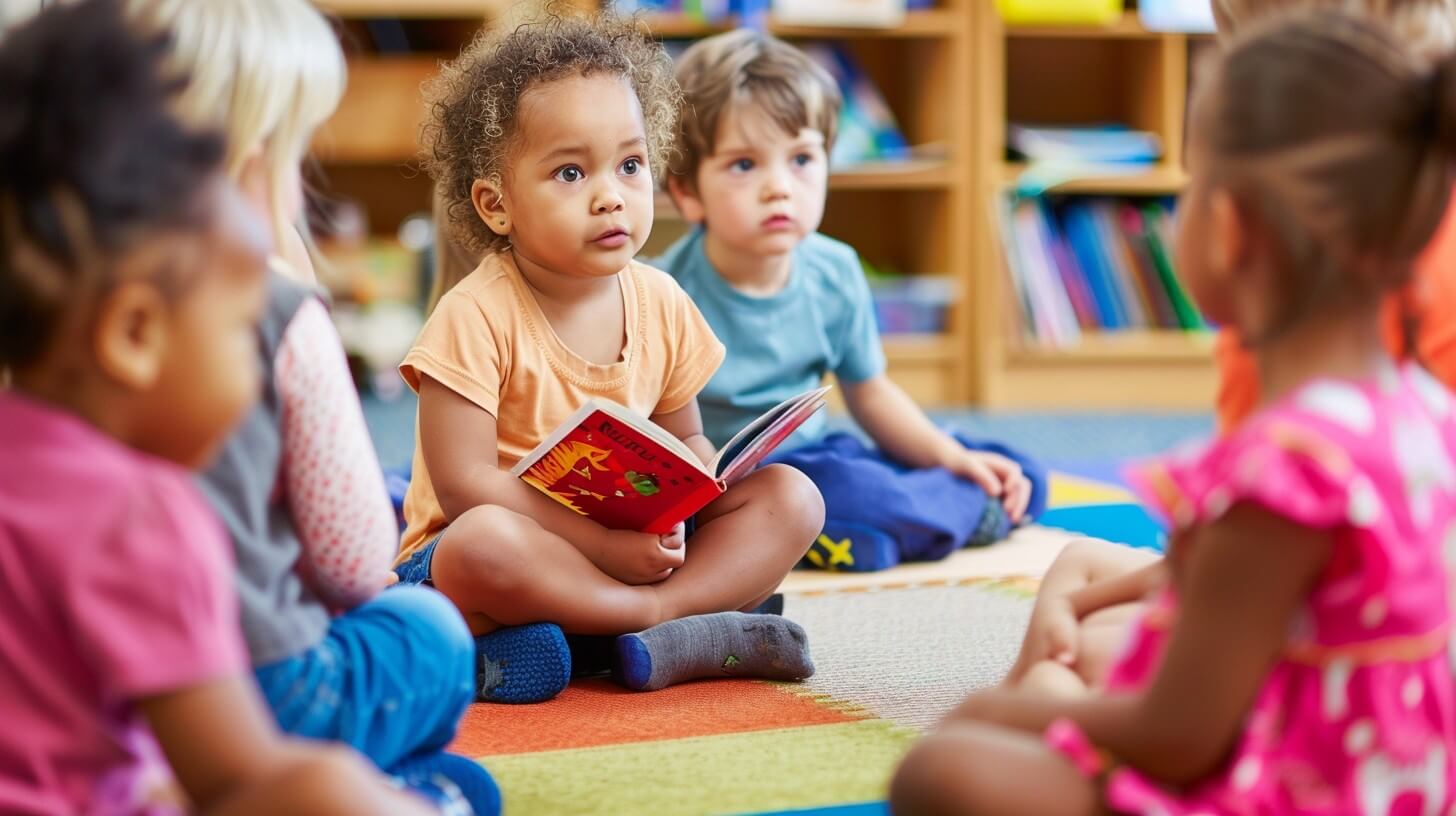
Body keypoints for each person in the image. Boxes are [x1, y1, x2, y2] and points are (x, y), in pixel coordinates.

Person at [892, 12, 1456, 814]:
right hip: (1379, 774)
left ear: (1228, 230)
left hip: (1292, 790)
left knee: (944, 769)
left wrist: (1015, 708)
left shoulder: (1286, 467)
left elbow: (1181, 736)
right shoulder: (1424, 414)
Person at [0, 3, 432, 813]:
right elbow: (238, 777)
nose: (248, 365)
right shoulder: (142, 516)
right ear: (136, 333)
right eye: (238, 334)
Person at [1008, 0, 1456, 696]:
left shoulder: (1307, 382)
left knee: (1025, 705)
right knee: (1080, 575)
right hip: (1358, 614)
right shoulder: (1354, 324)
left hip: (1358, 671)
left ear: (1230, 228)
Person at [117, 1, 500, 810]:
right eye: (295, 152)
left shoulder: (51, 308)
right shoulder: (276, 312)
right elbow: (355, 564)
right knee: (426, 632)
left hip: (94, 698)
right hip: (257, 691)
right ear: (254, 159)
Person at [397, 13, 825, 696]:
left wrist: (694, 489)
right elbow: (465, 486)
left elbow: (687, 436)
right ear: (496, 204)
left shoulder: (661, 299)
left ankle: (623, 629)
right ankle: (668, 622)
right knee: (481, 544)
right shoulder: (473, 314)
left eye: (630, 165)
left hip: (625, 550)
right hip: (502, 556)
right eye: (571, 172)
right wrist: (600, 548)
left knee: (793, 498)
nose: (610, 196)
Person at [654, 30, 1046, 573]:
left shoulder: (835, 270)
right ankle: (901, 521)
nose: (780, 188)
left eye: (802, 159)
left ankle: (917, 510)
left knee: (1008, 465)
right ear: (688, 193)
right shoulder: (660, 291)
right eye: (745, 165)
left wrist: (950, 456)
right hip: (717, 487)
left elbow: (873, 396)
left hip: (813, 457)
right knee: (847, 489)